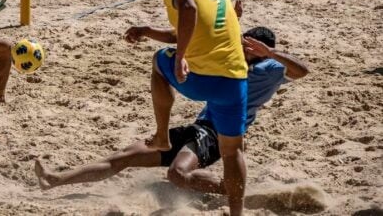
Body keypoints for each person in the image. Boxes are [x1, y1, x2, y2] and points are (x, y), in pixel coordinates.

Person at [35, 26, 308, 196]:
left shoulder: (269, 69)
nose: (240, 46)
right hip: (199, 127)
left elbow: (303, 71)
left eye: (246, 44)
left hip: (218, 134)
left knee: (177, 175)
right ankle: (55, 180)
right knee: (124, 156)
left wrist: (270, 52)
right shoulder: (230, 58)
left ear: (255, 47)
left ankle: (232, 189)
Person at [129, 0, 248, 215]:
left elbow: (188, 7)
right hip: (235, 79)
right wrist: (146, 30)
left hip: (201, 77)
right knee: (233, 152)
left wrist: (181, 55)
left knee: (159, 62)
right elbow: (188, 28)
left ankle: (162, 136)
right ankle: (237, 213)